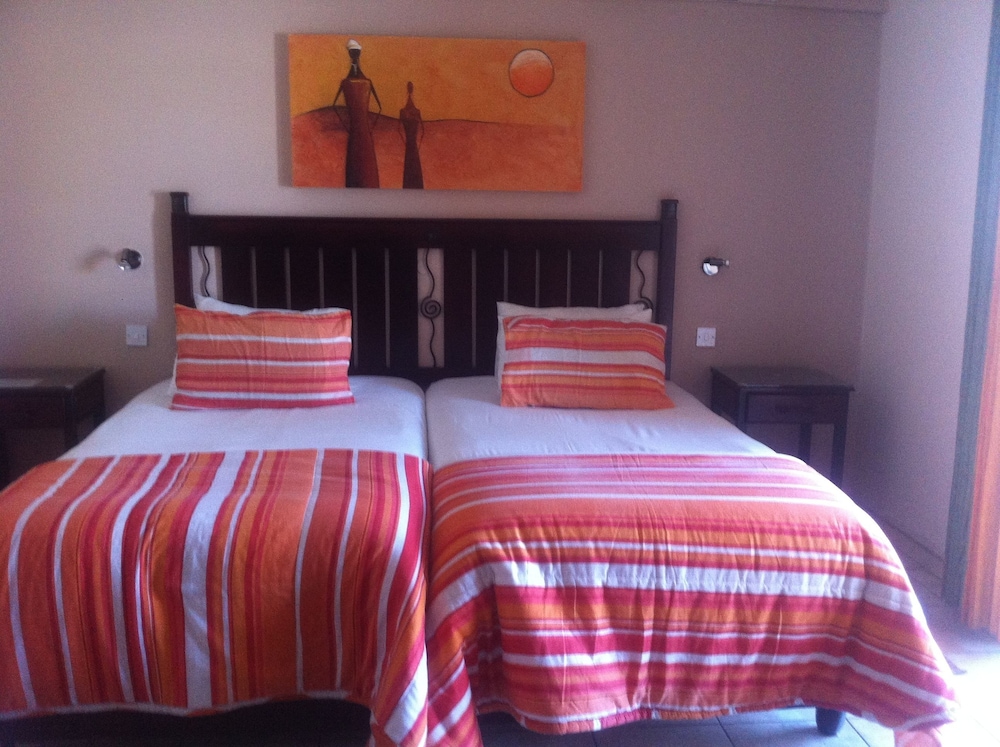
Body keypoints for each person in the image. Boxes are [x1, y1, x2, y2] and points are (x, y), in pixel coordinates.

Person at [333, 39, 381, 188]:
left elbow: (334, 106)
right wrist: (371, 127)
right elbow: (380, 108)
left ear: (350, 55)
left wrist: (347, 126)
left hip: (354, 131)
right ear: (358, 54)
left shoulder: (346, 83)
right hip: (365, 132)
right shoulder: (367, 82)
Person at [398, 81, 425, 189]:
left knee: (409, 166)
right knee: (415, 166)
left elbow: (398, 129)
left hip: (408, 144)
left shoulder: (403, 111)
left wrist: (404, 142)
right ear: (412, 89)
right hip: (413, 145)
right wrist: (419, 144)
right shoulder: (416, 111)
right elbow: (423, 131)